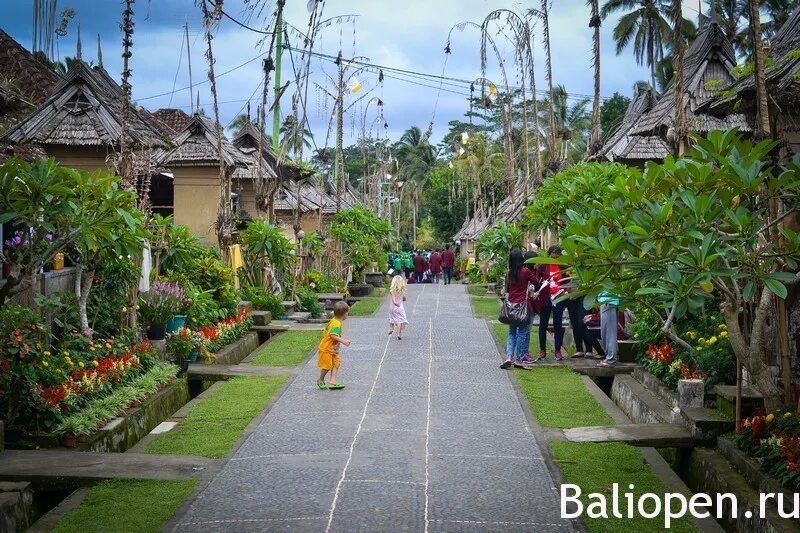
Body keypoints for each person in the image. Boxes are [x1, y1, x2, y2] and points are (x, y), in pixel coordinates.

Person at [500, 249, 537, 370]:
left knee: (511, 332)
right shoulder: (525, 271)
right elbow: (536, 282)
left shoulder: (509, 272)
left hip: (511, 307)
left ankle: (509, 357)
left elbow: (508, 289)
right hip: (523, 307)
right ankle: (519, 359)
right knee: (522, 333)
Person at [534, 245, 569, 362]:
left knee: (558, 324)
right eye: (554, 254)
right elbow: (536, 279)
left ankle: (558, 350)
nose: (555, 256)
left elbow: (566, 279)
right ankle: (542, 350)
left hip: (558, 297)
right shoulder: (543, 265)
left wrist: (565, 291)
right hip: (546, 297)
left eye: (558, 254)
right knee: (543, 324)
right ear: (549, 254)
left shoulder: (562, 265)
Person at [317, 301, 351, 390]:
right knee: (327, 366)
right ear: (344, 314)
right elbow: (333, 335)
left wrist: (337, 345)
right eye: (347, 313)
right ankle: (320, 380)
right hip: (326, 349)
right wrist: (344, 341)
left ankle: (332, 382)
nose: (348, 315)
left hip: (333, 349)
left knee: (336, 364)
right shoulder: (336, 323)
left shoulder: (335, 321)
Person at [598, 291, 621, 367]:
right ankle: (610, 358)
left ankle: (611, 359)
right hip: (607, 300)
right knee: (607, 332)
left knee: (609, 332)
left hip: (609, 300)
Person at [389, 275, 409, 339]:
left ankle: (391, 328)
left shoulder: (392, 291)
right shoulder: (402, 290)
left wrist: (395, 302)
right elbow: (404, 298)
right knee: (400, 321)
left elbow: (393, 299)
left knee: (392, 318)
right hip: (399, 307)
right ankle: (399, 334)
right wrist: (399, 302)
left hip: (392, 307)